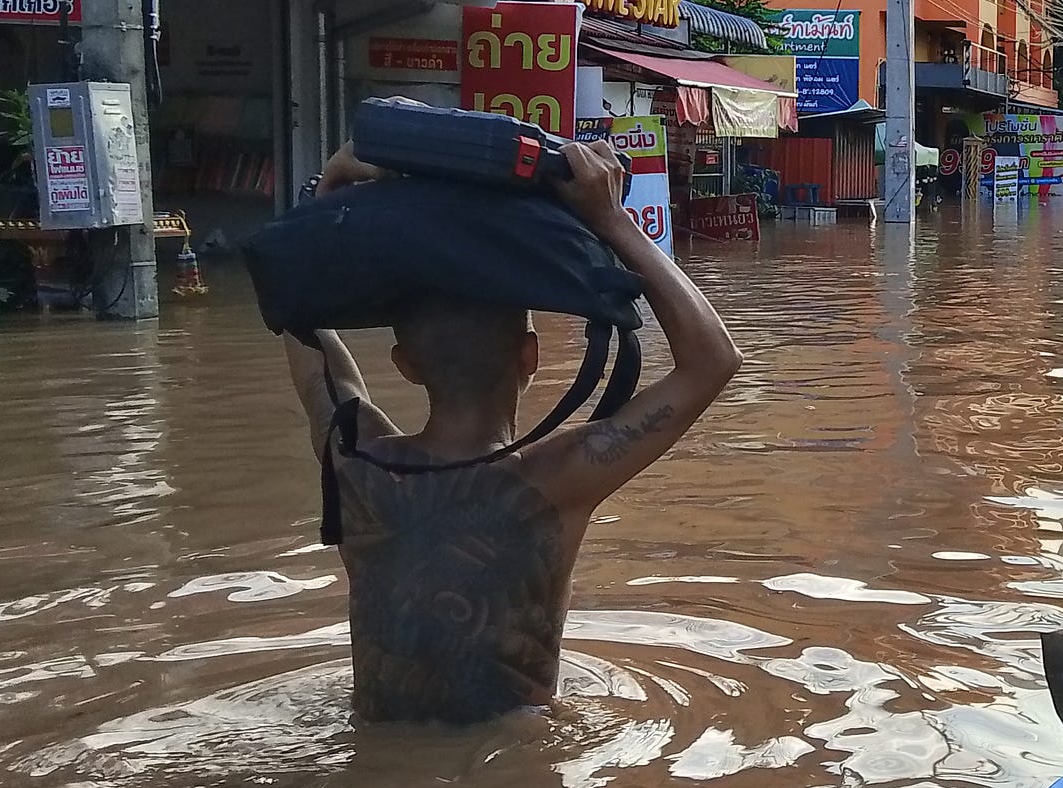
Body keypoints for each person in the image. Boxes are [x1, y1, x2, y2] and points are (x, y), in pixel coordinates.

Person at [283, 138, 742, 724]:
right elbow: (712, 360)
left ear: (406, 365)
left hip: (371, 747)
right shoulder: (556, 480)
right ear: (531, 357)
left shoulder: (355, 461)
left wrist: (327, 204)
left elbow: (305, 340)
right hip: (509, 758)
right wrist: (611, 221)